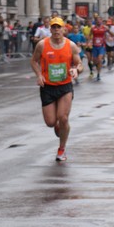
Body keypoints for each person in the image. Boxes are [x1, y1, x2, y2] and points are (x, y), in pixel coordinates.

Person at [30, 17, 83, 161]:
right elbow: (34, 61)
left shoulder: (71, 45)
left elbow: (79, 64)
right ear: (50, 29)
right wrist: (39, 74)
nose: (56, 30)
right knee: (50, 122)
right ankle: (58, 125)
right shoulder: (42, 45)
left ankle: (61, 150)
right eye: (53, 27)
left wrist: (76, 70)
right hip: (47, 87)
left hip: (65, 86)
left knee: (63, 117)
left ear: (64, 29)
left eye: (59, 27)